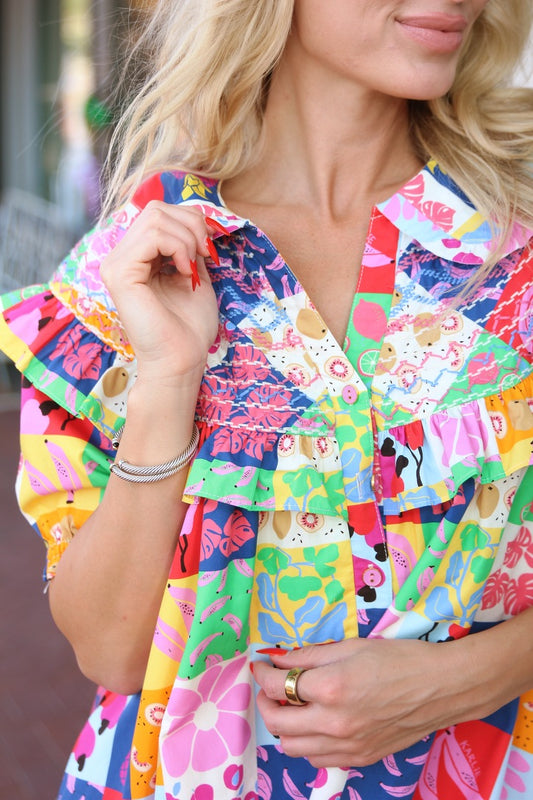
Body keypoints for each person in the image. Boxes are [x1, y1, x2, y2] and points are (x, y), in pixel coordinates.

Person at [1, 1, 533, 798]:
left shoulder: (514, 246)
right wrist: (170, 375)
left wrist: (460, 680)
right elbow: (110, 651)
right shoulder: (136, 267)